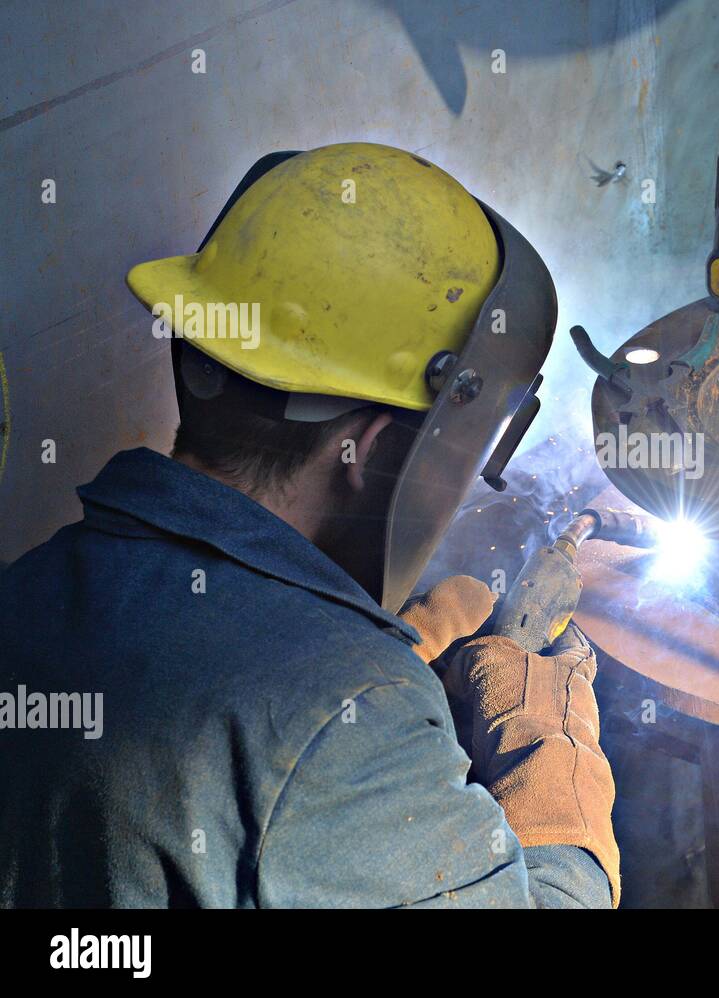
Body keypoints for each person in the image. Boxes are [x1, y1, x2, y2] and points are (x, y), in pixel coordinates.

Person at [0, 143, 618, 908]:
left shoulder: (26, 594)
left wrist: (376, 662)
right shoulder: (342, 731)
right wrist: (543, 720)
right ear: (376, 446)